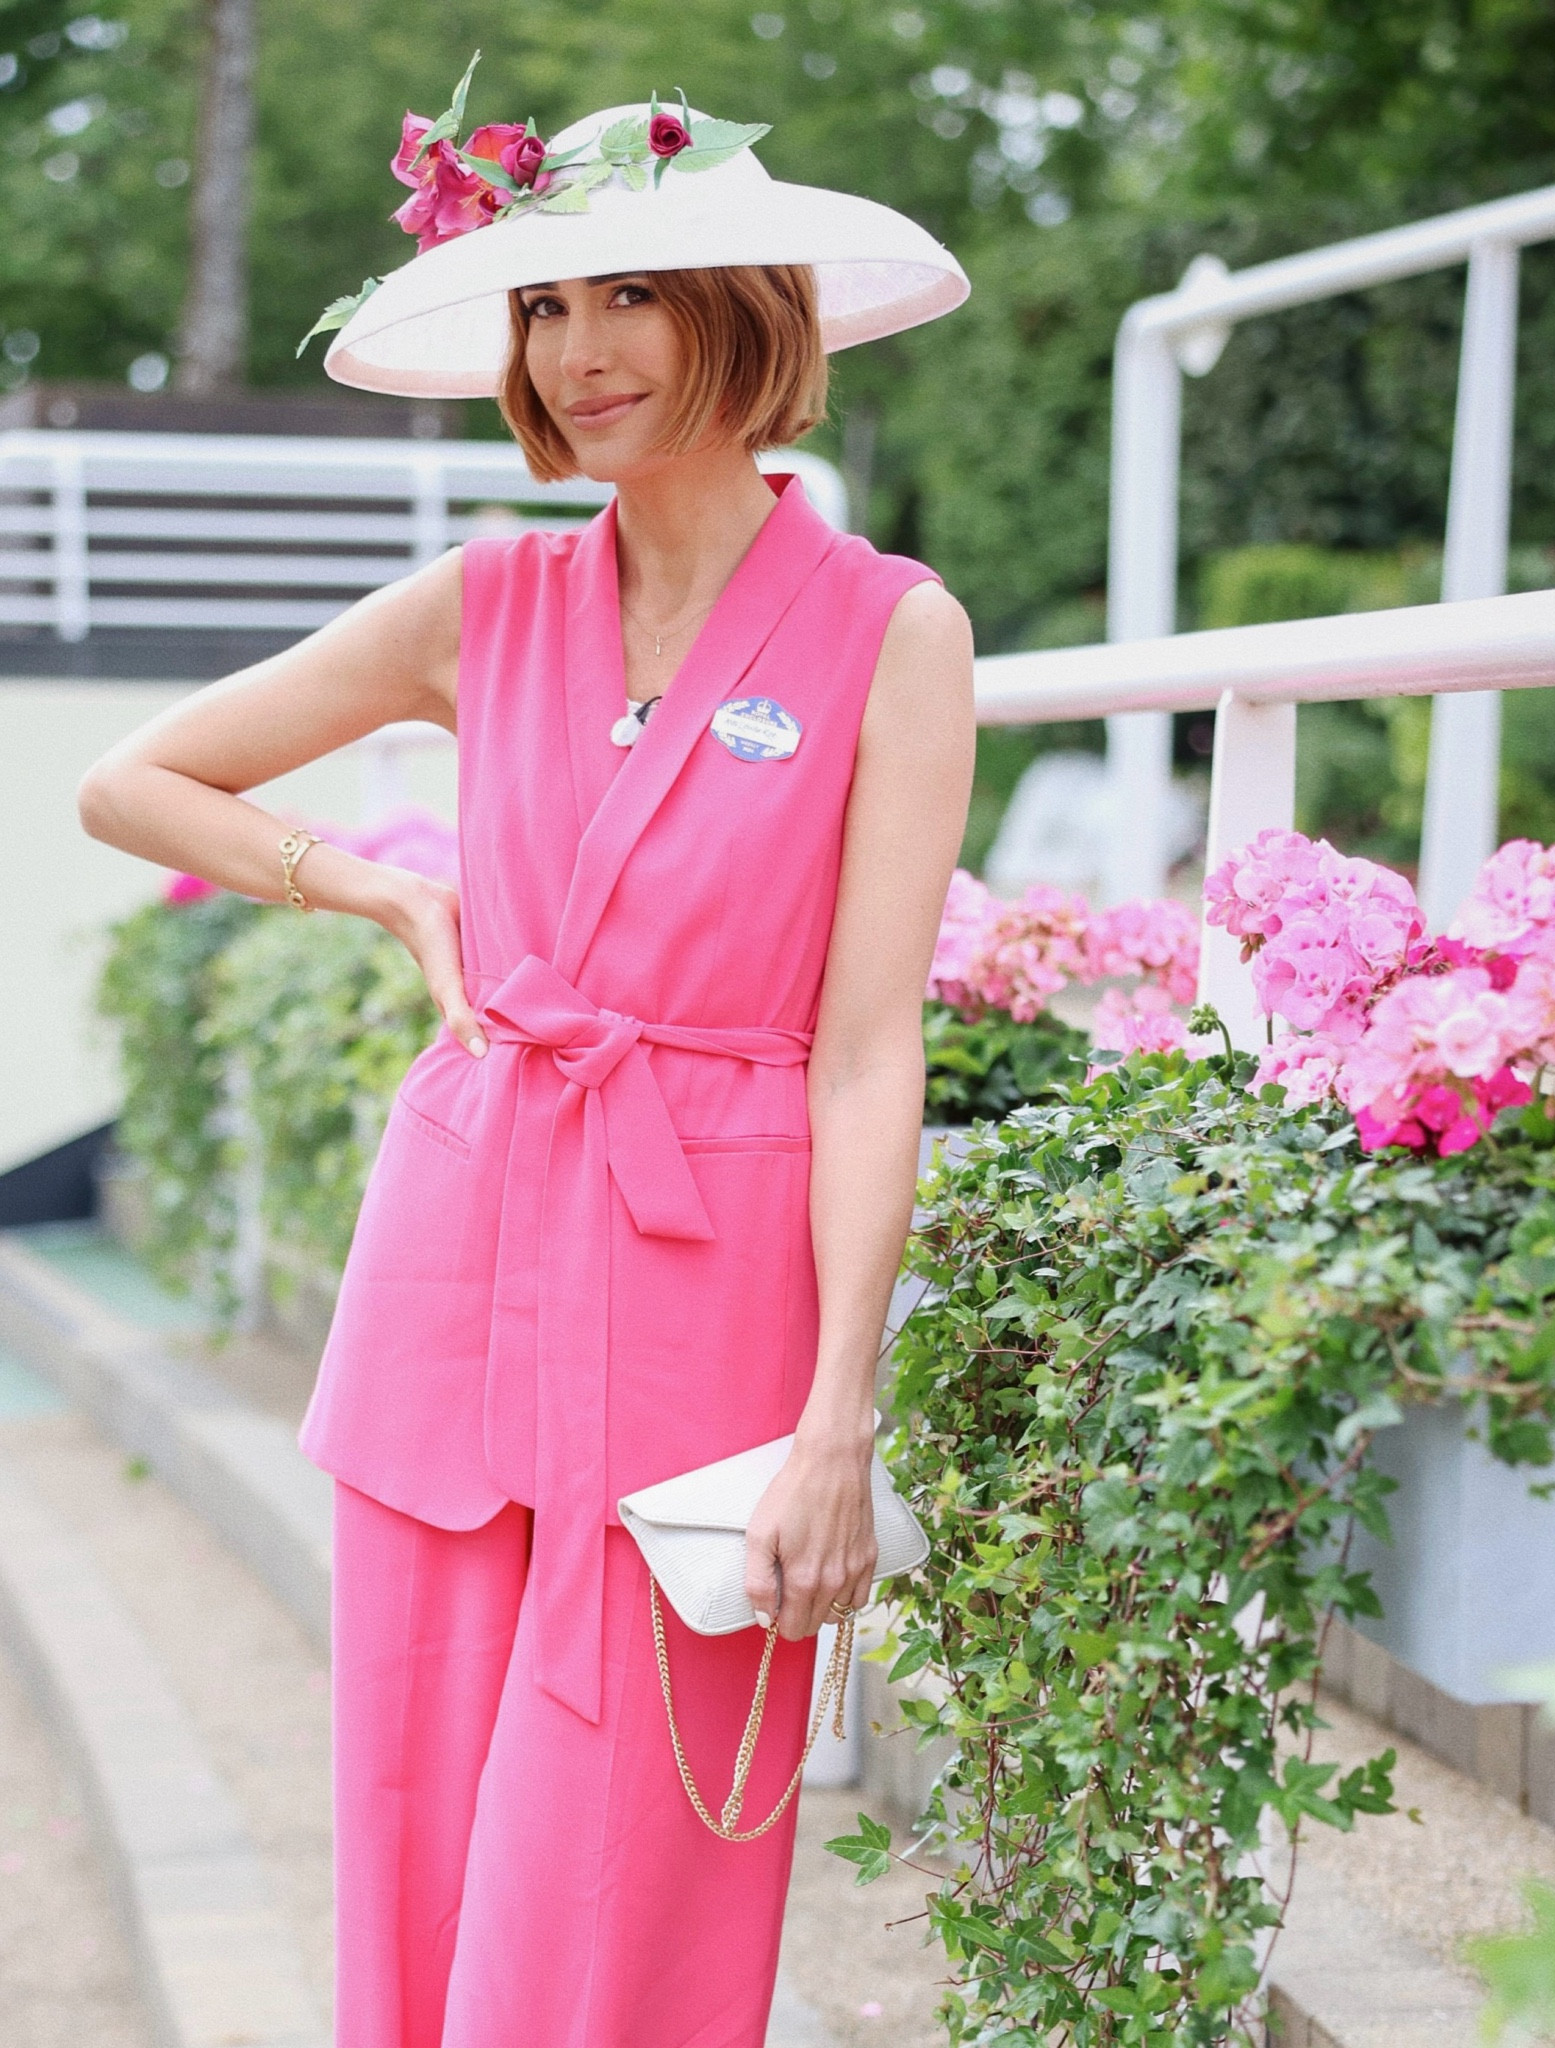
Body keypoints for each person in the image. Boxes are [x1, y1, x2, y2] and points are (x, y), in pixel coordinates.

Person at [77, 83, 974, 2048]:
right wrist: (381, 900)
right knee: (422, 1820)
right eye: (544, 310)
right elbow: (130, 781)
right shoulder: (481, 604)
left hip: (707, 1286)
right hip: (461, 1250)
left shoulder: (892, 633)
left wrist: (840, 1416)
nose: (578, 355)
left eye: (628, 295)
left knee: (633, 1852)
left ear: (745, 309)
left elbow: (866, 1044)